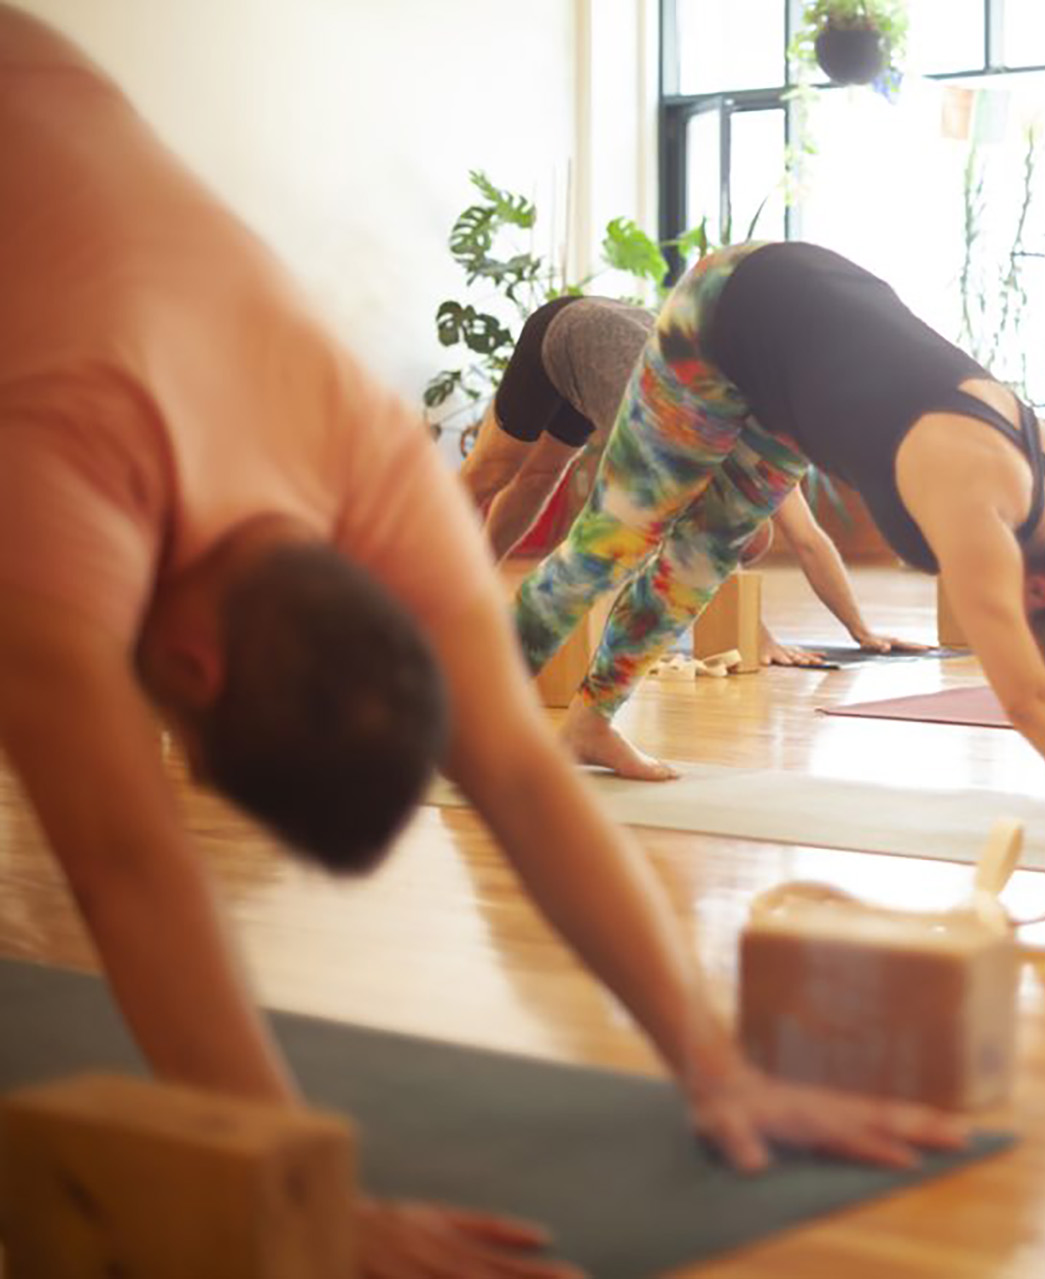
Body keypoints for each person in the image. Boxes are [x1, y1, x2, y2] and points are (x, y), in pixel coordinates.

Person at [0, 12, 963, 1276]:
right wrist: (307, 1196)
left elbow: (513, 766)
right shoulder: (54, 479)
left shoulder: (353, 448)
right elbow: (127, 861)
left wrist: (714, 1067)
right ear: (188, 678)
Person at [509, 238, 1045, 840]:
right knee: (618, 536)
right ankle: (464, 695)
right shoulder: (979, 513)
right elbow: (1033, 704)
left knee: (704, 554)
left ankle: (589, 726)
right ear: (1038, 595)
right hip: (731, 311)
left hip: (804, 356)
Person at [455, 294, 926, 665]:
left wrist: (861, 631)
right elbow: (697, 546)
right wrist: (754, 637)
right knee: (492, 473)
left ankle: (468, 594)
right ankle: (429, 577)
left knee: (544, 473)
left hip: (609, 358)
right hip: (562, 335)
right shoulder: (689, 450)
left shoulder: (763, 452)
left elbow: (809, 540)